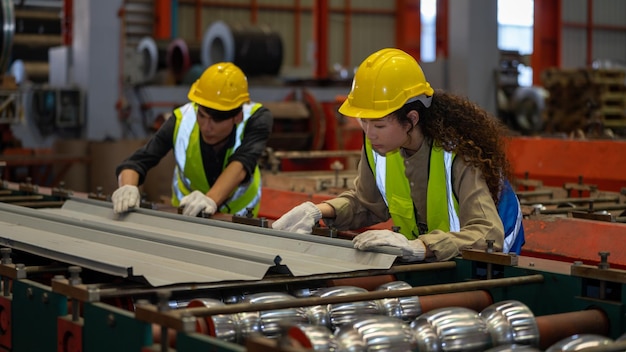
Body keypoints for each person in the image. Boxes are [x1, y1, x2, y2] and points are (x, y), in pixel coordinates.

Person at [272, 48, 524, 262]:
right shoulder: (379, 146)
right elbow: (366, 203)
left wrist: (420, 246)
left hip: (490, 263)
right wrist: (319, 211)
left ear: (411, 120)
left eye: (379, 125)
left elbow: (488, 234)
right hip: (433, 256)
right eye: (364, 122)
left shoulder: (456, 155)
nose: (369, 134)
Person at [112, 62, 273, 217]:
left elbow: (242, 164)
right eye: (202, 116)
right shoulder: (181, 121)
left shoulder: (256, 119)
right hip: (187, 216)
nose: (206, 127)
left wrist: (210, 199)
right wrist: (127, 187)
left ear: (237, 116)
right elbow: (137, 162)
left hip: (241, 219)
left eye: (216, 120)